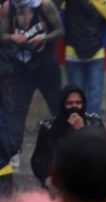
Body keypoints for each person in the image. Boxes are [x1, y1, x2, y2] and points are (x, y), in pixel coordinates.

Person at [1, 0, 64, 162]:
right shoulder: (10, 7)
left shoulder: (45, 5)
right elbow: (2, 35)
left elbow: (60, 30)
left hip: (47, 67)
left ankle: (64, 150)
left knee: (57, 107)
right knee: (17, 111)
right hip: (21, 69)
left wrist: (44, 38)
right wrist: (13, 37)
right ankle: (12, 154)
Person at [31, 85, 105, 197]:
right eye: (69, 103)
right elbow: (38, 159)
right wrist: (47, 179)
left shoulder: (95, 124)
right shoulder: (49, 127)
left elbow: (104, 156)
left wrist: (82, 130)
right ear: (63, 104)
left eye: (78, 103)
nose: (74, 107)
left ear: (84, 104)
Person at [63, 0, 106, 115]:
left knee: (93, 94)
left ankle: (92, 125)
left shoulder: (103, 4)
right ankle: (78, 126)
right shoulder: (69, 4)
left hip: (95, 55)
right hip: (75, 55)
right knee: (79, 95)